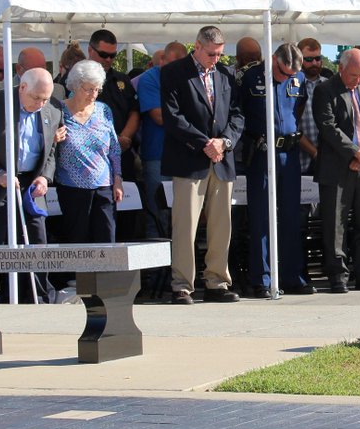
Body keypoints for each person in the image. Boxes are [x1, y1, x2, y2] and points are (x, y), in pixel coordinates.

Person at [0, 68, 63, 301]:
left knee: (37, 244)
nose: (40, 104)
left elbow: (51, 150)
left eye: (45, 99)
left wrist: (44, 177)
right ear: (23, 87)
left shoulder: (53, 109)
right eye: (36, 98)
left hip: (30, 186)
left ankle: (38, 298)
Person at [161, 26, 244, 305]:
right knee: (186, 225)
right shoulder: (173, 72)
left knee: (222, 225)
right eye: (211, 54)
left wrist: (224, 143)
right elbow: (173, 118)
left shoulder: (226, 74)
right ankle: (183, 284)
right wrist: (204, 143)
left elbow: (237, 114)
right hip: (189, 159)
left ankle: (217, 281)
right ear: (196, 46)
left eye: (220, 54)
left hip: (221, 159)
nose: (216, 59)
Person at [240, 42, 315, 298]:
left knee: (292, 216)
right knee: (261, 216)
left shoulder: (299, 78)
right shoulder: (251, 77)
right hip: (262, 152)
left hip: (289, 152)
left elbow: (298, 108)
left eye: (292, 74)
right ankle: (262, 278)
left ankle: (292, 275)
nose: (287, 77)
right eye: (283, 72)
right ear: (273, 59)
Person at [312, 48, 360, 292]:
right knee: (336, 225)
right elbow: (328, 127)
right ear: (341, 69)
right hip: (337, 168)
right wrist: (355, 152)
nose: (358, 80)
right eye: (354, 75)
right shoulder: (325, 90)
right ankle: (338, 276)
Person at [55, 60, 123, 244]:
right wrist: (52, 139)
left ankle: (106, 274)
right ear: (75, 86)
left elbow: (114, 148)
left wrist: (118, 179)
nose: (93, 95)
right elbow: (44, 146)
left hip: (104, 187)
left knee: (107, 240)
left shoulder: (104, 110)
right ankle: (80, 275)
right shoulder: (58, 111)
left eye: (97, 89)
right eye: (88, 89)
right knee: (78, 241)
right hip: (72, 188)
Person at [135, 41, 187, 238]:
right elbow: (159, 117)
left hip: (183, 156)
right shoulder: (150, 78)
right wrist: (190, 123)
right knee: (157, 213)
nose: (176, 68)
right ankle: (157, 266)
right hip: (158, 155)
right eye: (173, 62)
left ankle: (178, 264)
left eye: (181, 63)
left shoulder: (188, 78)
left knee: (182, 214)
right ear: (162, 60)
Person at [86, 30, 140, 180]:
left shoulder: (121, 79)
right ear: (90, 50)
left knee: (128, 200)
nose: (108, 59)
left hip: (122, 151)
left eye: (113, 55)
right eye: (103, 55)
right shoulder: (77, 79)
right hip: (91, 154)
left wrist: (124, 137)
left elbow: (134, 111)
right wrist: (111, 140)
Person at [295, 37, 332, 176]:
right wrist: (315, 152)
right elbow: (290, 126)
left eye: (318, 58)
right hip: (299, 160)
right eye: (309, 59)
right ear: (299, 60)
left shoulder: (328, 85)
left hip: (327, 160)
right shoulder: (291, 86)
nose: (315, 63)